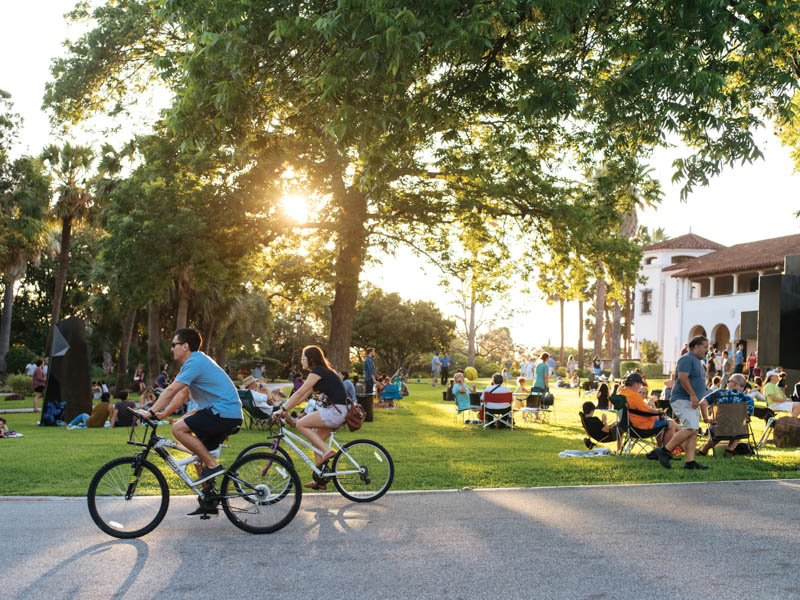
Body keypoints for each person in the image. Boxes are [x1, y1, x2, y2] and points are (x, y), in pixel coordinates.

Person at [136, 328, 243, 517]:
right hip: (223, 412)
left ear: (185, 346)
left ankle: (213, 466)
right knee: (197, 452)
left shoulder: (195, 362)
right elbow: (182, 394)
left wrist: (151, 411)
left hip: (224, 411)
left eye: (174, 345)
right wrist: (161, 414)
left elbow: (170, 390)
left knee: (178, 429)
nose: (171, 349)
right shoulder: (195, 363)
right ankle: (209, 499)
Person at [272, 345, 349, 490]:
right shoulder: (322, 373)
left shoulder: (318, 371)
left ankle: (327, 452)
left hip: (337, 411)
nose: (301, 361)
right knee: (316, 441)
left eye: (303, 358)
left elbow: (300, 392)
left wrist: (283, 409)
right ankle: (320, 478)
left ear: (311, 360)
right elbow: (303, 396)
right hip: (341, 411)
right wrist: (286, 408)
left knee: (300, 424)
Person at [653, 335, 710, 470]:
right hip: (683, 399)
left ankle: (690, 462)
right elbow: (683, 378)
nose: (706, 350)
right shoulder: (686, 359)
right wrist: (692, 395)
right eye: (704, 347)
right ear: (695, 346)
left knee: (693, 431)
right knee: (691, 428)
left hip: (692, 401)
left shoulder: (697, 361)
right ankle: (665, 451)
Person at [697, 374, 754, 457]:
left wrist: (706, 419)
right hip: (738, 430)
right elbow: (748, 416)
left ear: (734, 383)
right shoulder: (748, 399)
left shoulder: (718, 393)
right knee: (741, 425)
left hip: (719, 428)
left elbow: (702, 404)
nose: (727, 384)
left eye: (728, 381)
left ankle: (703, 451)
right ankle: (729, 450)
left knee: (718, 431)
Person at [620, 373, 677, 447]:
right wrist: (660, 411)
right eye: (640, 384)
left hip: (629, 427)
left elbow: (642, 410)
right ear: (635, 384)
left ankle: (660, 449)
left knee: (663, 422)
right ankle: (665, 450)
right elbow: (647, 411)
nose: (640, 387)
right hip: (641, 427)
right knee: (671, 423)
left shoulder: (621, 393)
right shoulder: (634, 396)